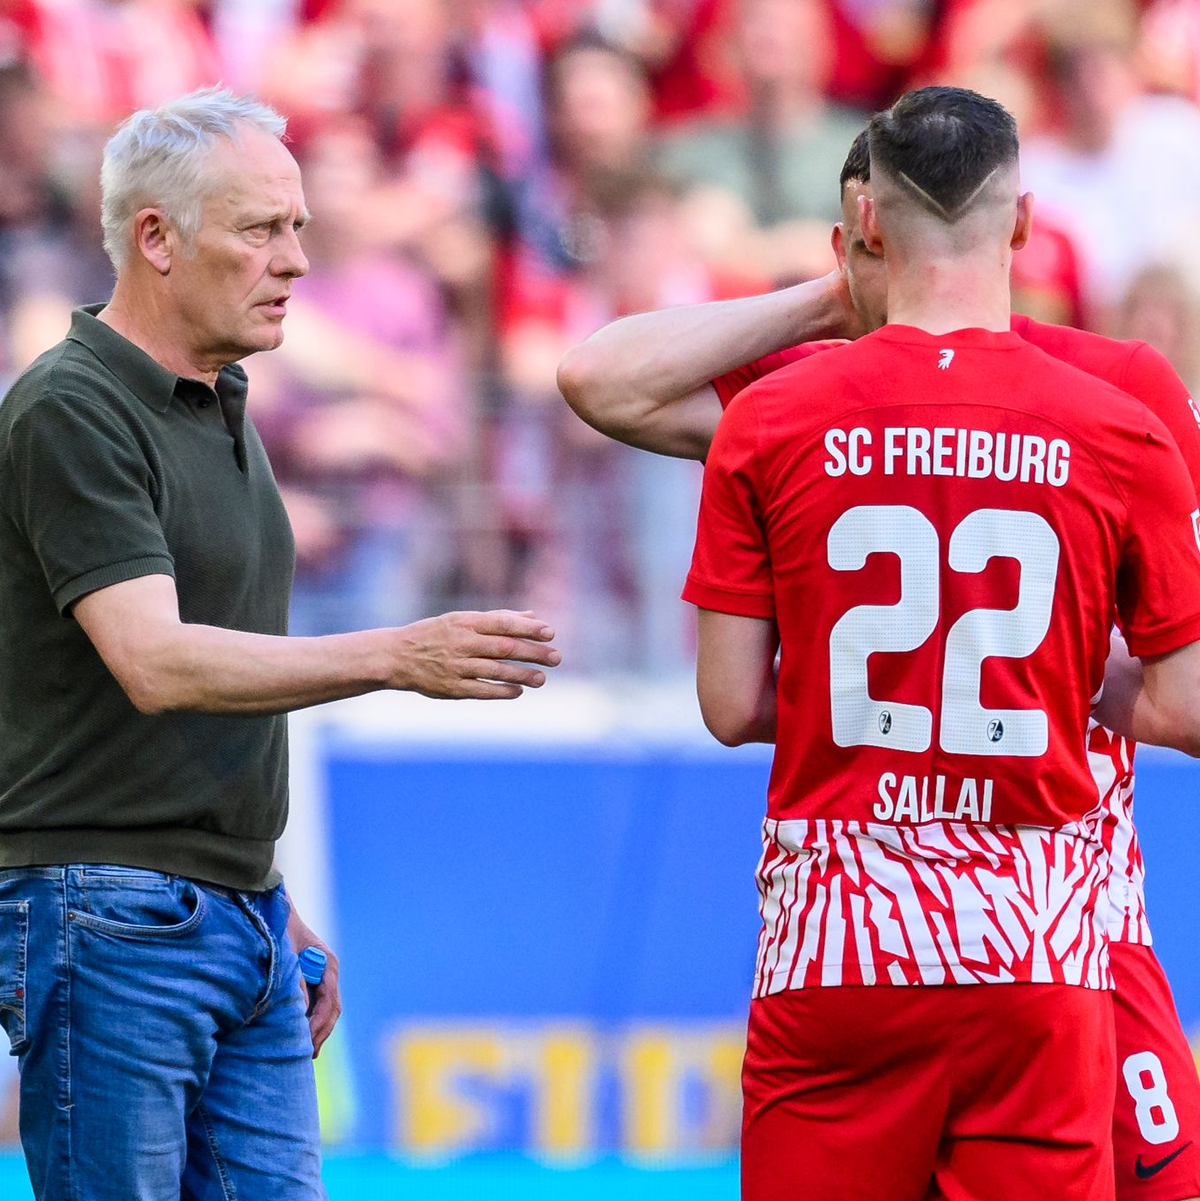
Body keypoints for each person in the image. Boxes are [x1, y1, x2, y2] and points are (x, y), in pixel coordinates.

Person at [571, 86, 1200, 1198]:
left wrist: (842, 288)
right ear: (1015, 223)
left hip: (898, 926)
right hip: (1042, 921)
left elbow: (602, 384)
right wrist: (840, 301)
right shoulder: (1120, 406)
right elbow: (601, 381)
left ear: (866, 224)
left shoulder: (795, 409)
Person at [0, 87, 561, 1201]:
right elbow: (156, 661)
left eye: (298, 226)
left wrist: (267, 893)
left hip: (230, 915)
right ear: (155, 237)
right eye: (263, 228)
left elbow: (210, 686)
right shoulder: (73, 406)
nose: (297, 259)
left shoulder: (219, 401)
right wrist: (398, 653)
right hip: (110, 918)